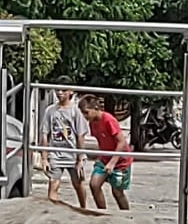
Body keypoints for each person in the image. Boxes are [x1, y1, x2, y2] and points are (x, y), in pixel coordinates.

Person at [39, 77, 89, 208]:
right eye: (58, 90)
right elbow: (45, 134)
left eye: (63, 90)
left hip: (72, 153)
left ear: (71, 91)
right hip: (56, 153)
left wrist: (80, 158)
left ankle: (83, 208)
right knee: (53, 183)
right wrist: (44, 158)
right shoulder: (50, 111)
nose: (60, 93)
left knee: (78, 183)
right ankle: (52, 210)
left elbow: (80, 135)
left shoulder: (75, 111)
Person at [77, 94, 133, 211]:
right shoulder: (93, 123)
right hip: (104, 158)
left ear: (96, 108)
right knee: (94, 184)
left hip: (120, 161)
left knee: (117, 192)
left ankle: (127, 216)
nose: (85, 116)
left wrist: (112, 162)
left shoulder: (108, 120)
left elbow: (121, 142)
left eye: (86, 112)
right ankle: (102, 212)